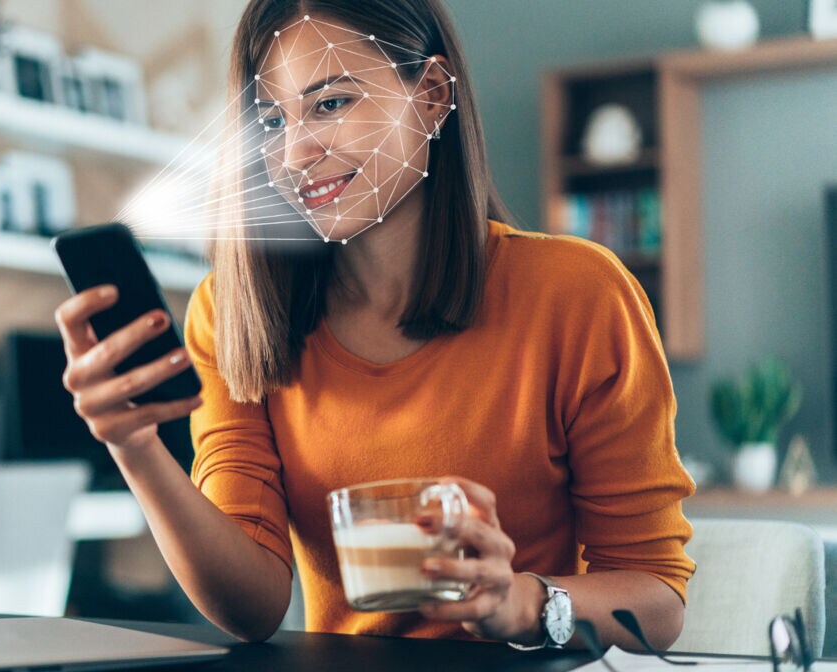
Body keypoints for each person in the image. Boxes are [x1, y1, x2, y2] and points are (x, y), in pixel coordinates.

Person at [54, 0, 695, 649]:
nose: (296, 152)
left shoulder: (576, 293)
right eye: (271, 120)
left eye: (331, 103)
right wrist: (134, 448)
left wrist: (525, 601)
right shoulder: (233, 316)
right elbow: (252, 609)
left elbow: (658, 602)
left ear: (433, 95)